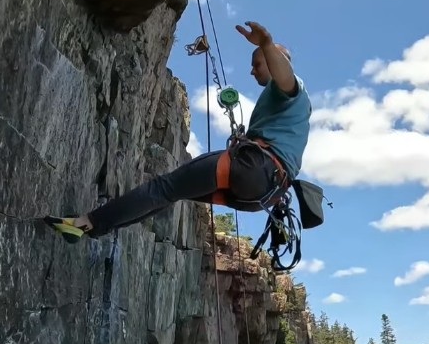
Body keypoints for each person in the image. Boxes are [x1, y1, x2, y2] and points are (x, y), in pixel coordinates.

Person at [45, 20, 313, 241]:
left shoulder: (290, 88)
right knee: (171, 193)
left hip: (255, 167)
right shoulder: (293, 111)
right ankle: (94, 226)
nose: (252, 71)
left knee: (164, 188)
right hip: (264, 195)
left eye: (257, 64)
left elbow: (285, 76)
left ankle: (85, 223)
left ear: (274, 60)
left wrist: (266, 45)